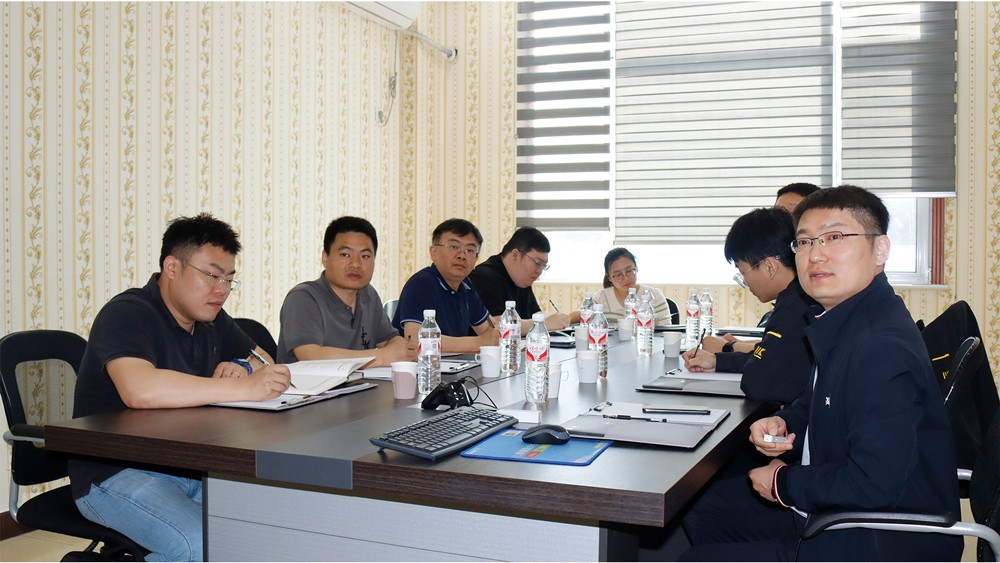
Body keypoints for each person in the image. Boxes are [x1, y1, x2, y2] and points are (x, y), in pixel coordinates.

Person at [681, 186, 962, 561]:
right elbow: (820, 403)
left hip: (873, 539)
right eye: (804, 242)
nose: (816, 254)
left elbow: (873, 483)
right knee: (702, 509)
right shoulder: (846, 319)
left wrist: (783, 482)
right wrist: (785, 423)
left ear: (880, 250)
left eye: (835, 237)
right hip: (837, 513)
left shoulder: (880, 346)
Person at [69, 213, 291, 562]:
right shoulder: (127, 313)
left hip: (190, 465)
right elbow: (139, 389)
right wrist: (243, 388)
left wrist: (244, 367)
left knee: (274, 524)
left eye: (229, 279)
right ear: (172, 267)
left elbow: (265, 359)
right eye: (212, 276)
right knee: (201, 547)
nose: (222, 290)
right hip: (114, 473)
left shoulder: (211, 319)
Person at [682, 207, 816, 405]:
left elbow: (759, 381)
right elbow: (770, 359)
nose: (744, 282)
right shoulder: (799, 297)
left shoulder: (795, 310)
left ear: (769, 266)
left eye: (742, 271)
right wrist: (718, 361)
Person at [277, 216, 413, 367]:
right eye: (345, 255)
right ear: (325, 258)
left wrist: (400, 348)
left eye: (365, 256)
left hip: (362, 382)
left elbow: (389, 340)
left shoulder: (368, 294)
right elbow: (311, 356)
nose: (355, 264)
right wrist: (380, 357)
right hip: (309, 383)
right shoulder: (303, 298)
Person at [392, 218, 498, 353]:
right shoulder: (421, 284)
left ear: (476, 258)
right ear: (433, 252)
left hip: (454, 364)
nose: (462, 255)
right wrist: (478, 343)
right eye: (454, 247)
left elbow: (489, 331)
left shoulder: (466, 285)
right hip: (421, 365)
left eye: (470, 250)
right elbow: (416, 340)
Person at [468, 226, 570, 332]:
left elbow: (534, 314)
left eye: (544, 265)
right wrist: (543, 323)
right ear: (515, 255)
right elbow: (494, 327)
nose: (539, 271)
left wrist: (554, 319)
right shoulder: (484, 277)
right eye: (537, 263)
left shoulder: (522, 279)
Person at [589, 248, 672, 324]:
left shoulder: (654, 295)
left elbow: (666, 331)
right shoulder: (599, 299)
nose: (626, 278)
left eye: (629, 271)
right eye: (618, 275)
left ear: (636, 268)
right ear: (609, 277)